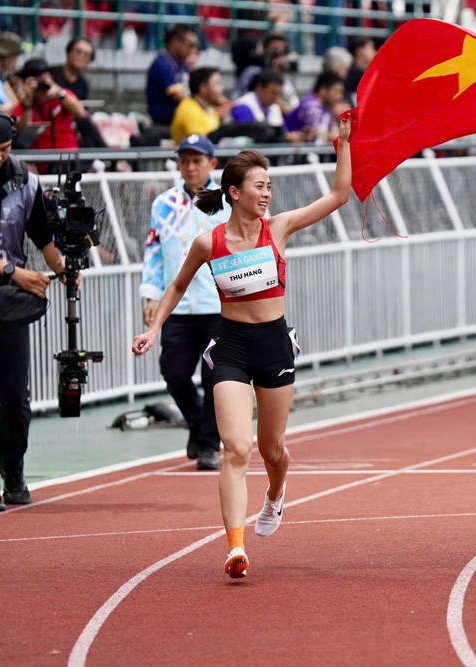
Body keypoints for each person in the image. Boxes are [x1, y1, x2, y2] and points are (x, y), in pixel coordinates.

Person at [132, 114, 353, 578]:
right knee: (236, 447)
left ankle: (275, 494)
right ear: (235, 193)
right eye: (259, 185)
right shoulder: (208, 243)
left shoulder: (280, 228)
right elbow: (175, 287)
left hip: (273, 345)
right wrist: (155, 327)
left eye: (269, 185)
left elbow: (338, 195)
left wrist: (343, 145)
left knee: (272, 449)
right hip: (230, 346)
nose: (267, 193)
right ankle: (235, 547)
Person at [0, 110, 70, 513]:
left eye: (3, 150)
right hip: (7, 281)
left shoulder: (28, 183)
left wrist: (64, 269)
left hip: (9, 306)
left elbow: (44, 237)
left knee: (16, 396)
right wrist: (14, 272)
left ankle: (13, 473)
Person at [140, 134, 228, 470]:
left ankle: (209, 444)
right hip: (177, 305)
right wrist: (149, 294)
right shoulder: (163, 203)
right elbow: (153, 252)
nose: (191, 167)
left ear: (211, 164)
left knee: (214, 378)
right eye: (185, 160)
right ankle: (196, 423)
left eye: (197, 160)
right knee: (173, 372)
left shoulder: (228, 201)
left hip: (219, 304)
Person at [283, 71, 344, 144]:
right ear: (323, 90)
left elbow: (334, 131)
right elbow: (315, 134)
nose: (340, 96)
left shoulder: (328, 107)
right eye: (336, 91)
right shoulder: (311, 105)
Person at [170, 67, 227, 144]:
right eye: (217, 83)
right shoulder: (189, 110)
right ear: (203, 88)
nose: (222, 88)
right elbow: (201, 144)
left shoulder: (210, 108)